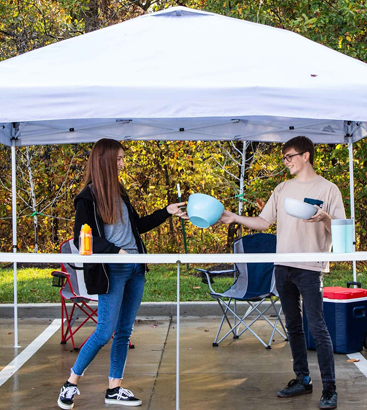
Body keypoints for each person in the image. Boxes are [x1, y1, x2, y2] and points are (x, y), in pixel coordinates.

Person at [57, 138, 188, 409]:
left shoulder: (119, 192)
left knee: (124, 332)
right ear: (104, 161)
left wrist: (166, 212)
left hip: (136, 269)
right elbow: (83, 239)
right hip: (113, 271)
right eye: (118, 159)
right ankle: (70, 383)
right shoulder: (87, 197)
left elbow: (136, 226)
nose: (122, 163)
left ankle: (114, 389)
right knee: (104, 332)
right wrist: (117, 252)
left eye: (122, 159)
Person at [219, 136, 345, 410]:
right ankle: (302, 378)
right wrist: (235, 217)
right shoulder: (283, 189)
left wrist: (324, 217)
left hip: (310, 268)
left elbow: (340, 232)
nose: (286, 162)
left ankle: (330, 388)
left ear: (306, 156)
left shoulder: (329, 189)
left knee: (318, 326)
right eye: (284, 157)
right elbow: (264, 222)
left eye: (289, 157)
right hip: (283, 266)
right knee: (293, 326)